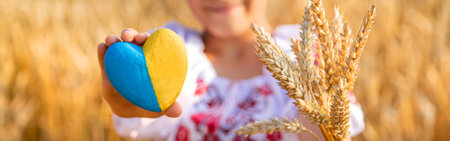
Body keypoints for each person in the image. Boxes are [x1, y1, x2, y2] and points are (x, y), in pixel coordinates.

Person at [97, 0, 365, 140]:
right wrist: (133, 104)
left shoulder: (306, 54)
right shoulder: (178, 52)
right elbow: (150, 115)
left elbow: (326, 132)